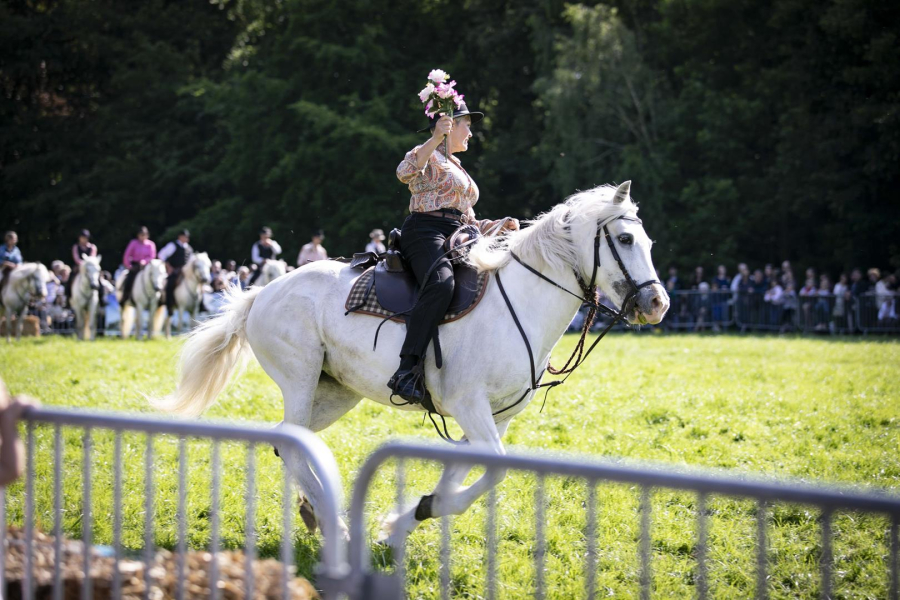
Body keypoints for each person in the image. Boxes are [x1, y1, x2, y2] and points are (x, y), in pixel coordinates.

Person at [388, 97, 518, 403]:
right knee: (440, 283)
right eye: (467, 126)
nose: (471, 134)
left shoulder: (457, 166)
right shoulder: (428, 154)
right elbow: (404, 172)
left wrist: (499, 224)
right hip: (425, 231)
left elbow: (468, 217)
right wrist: (434, 138)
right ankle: (406, 370)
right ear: (448, 127)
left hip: (459, 234)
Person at [158, 229, 194, 316]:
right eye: (185, 237)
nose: (186, 239)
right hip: (174, 271)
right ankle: (169, 306)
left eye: (187, 237)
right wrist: (168, 266)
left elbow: (191, 262)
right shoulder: (172, 245)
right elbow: (161, 255)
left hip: (185, 273)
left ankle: (199, 305)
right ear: (180, 237)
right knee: (170, 285)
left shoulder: (189, 248)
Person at [120, 226, 157, 307]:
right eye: (141, 235)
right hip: (135, 266)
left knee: (156, 279)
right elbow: (126, 255)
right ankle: (125, 297)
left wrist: (145, 261)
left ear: (147, 235)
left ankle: (156, 298)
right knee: (129, 279)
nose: (142, 237)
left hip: (147, 267)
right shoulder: (133, 243)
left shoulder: (151, 244)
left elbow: (152, 256)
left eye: (144, 235)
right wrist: (129, 266)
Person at [66, 229, 99, 302]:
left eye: (85, 238)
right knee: (70, 279)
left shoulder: (92, 247)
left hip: (90, 267)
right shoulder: (76, 247)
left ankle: (101, 299)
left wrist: (87, 264)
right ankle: (68, 298)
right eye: (82, 237)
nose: (84, 239)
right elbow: (76, 258)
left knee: (99, 279)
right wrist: (83, 264)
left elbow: (92, 258)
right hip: (79, 267)